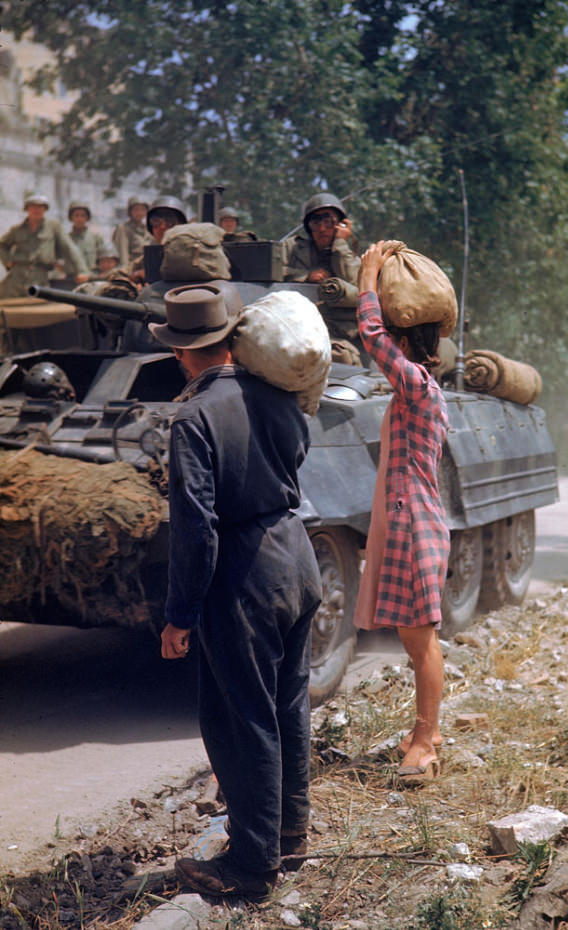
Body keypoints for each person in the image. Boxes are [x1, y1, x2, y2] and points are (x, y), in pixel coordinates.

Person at [149, 283, 322, 899]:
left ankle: (252, 867)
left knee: (241, 716)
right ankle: (290, 834)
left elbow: (195, 527)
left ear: (181, 353)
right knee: (288, 703)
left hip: (245, 575)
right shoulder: (278, 394)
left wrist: (180, 614)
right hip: (297, 559)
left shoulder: (193, 416)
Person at [354, 240, 450, 785]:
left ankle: (425, 744)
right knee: (418, 641)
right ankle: (427, 732)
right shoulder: (422, 388)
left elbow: (371, 337)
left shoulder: (414, 385)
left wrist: (368, 276)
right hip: (408, 520)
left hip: (413, 523)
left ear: (404, 339)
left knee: (420, 642)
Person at [0, 194, 90, 298]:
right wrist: (7, 261)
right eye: (33, 207)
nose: (37, 210)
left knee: (37, 309)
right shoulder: (17, 230)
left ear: (45, 210)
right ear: (27, 209)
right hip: (16, 277)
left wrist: (82, 271)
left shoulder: (53, 227)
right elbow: (2, 244)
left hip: (39, 277)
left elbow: (69, 248)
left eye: (40, 207)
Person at [284, 193, 360, 285]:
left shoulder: (350, 258)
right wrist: (306, 276)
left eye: (328, 222)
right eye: (316, 223)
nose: (322, 229)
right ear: (309, 227)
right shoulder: (292, 248)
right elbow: (270, 271)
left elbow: (352, 281)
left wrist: (340, 243)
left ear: (341, 225)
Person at [63, 201, 105, 276]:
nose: (79, 219)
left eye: (83, 216)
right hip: (71, 279)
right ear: (71, 217)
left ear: (87, 217)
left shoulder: (96, 238)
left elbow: (104, 260)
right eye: (76, 215)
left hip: (91, 278)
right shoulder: (65, 238)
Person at [112, 196, 153, 266]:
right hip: (132, 269)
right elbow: (123, 254)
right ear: (130, 212)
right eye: (136, 210)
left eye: (143, 210)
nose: (139, 213)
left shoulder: (148, 229)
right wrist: (126, 272)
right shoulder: (123, 228)